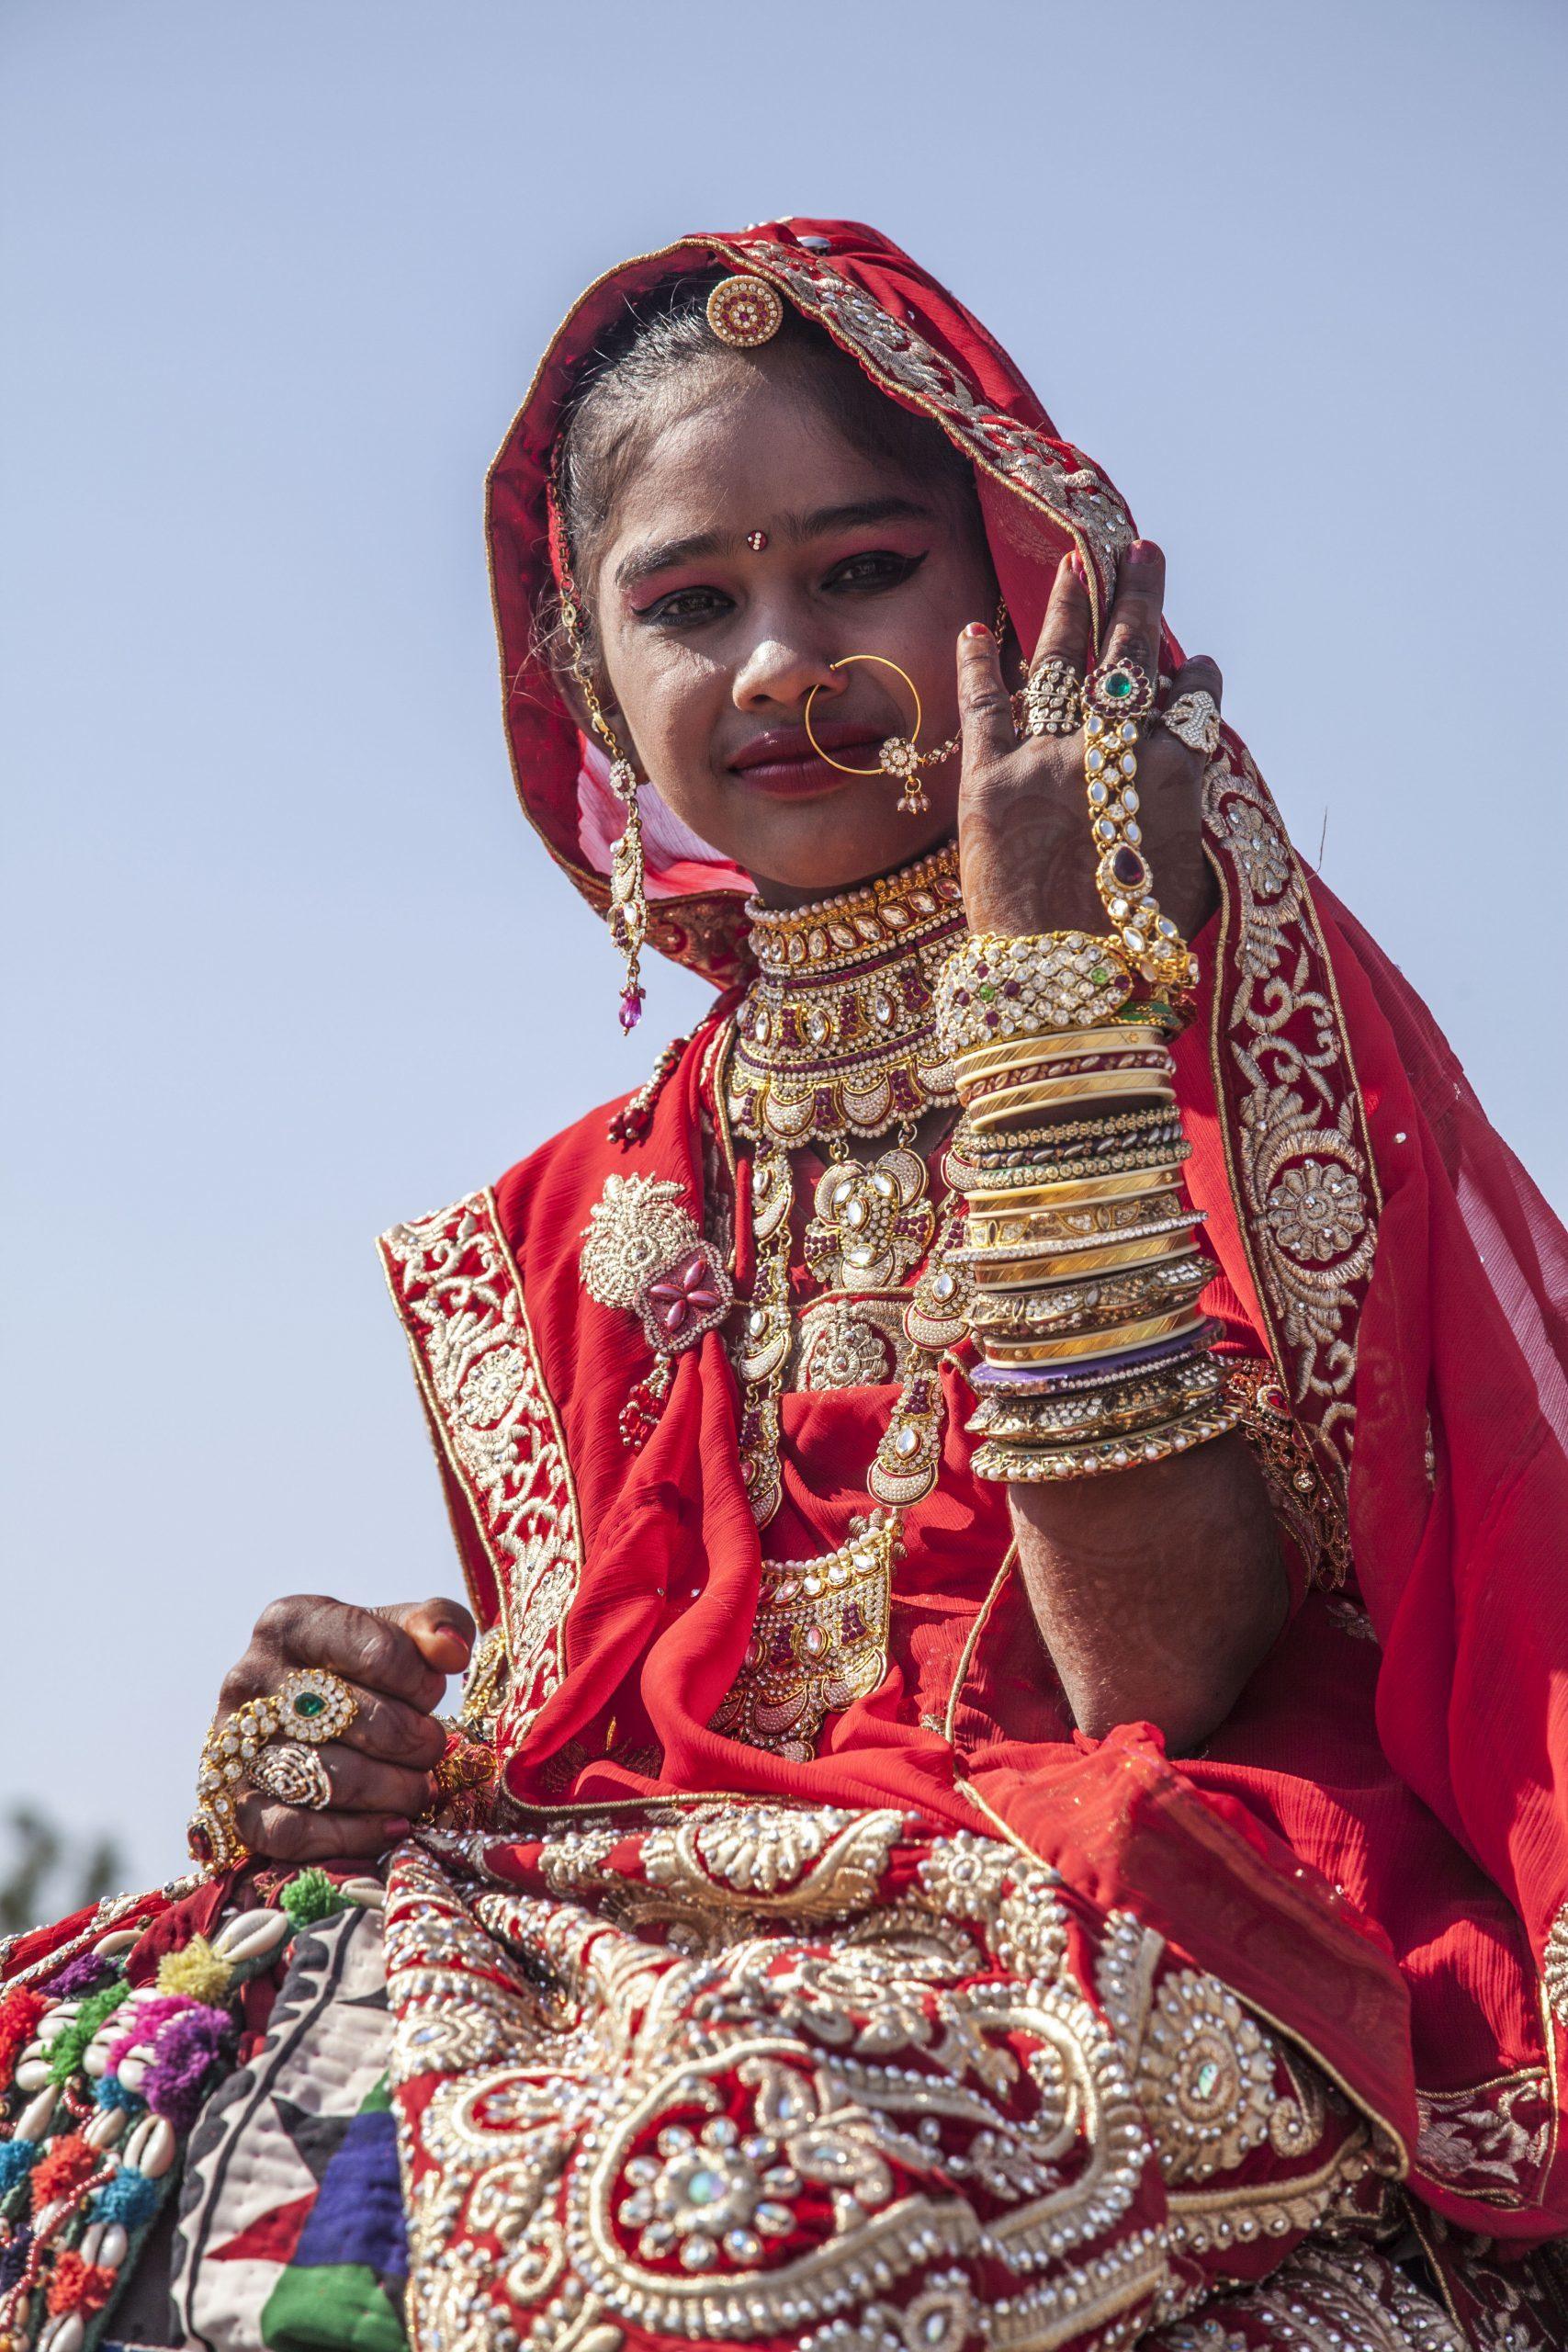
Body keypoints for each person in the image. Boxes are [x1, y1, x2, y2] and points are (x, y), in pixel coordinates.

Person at [5, 218, 1568, 2352]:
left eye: (857, 573)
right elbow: (638, 1727)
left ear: (1011, 584)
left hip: (1151, 1898)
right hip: (667, 1913)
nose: (774, 668)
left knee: (726, 2191)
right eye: (687, 603)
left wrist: (1042, 995)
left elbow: (1150, 1664)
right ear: (579, 661)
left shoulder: (1211, 993)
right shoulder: (572, 1211)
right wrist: (375, 1760)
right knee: (109, 2082)